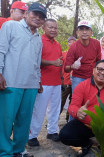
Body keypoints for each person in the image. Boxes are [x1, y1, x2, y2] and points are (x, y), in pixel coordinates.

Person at [0, 2, 46, 157]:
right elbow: (1, 50)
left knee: (24, 121)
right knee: (6, 121)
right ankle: (4, 152)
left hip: (31, 85)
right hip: (11, 82)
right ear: (26, 14)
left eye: (41, 17)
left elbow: (36, 62)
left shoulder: (39, 37)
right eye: (35, 14)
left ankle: (19, 150)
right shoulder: (11, 26)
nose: (38, 19)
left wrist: (38, 80)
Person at [59, 60, 104, 157]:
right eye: (100, 69)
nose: (103, 72)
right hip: (86, 126)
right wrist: (77, 112)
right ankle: (87, 143)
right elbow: (72, 106)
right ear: (94, 70)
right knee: (65, 135)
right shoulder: (82, 86)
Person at [28, 19, 63, 147]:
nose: (53, 30)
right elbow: (35, 60)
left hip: (56, 82)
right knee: (39, 110)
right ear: (43, 27)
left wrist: (61, 79)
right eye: (50, 27)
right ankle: (32, 136)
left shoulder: (57, 44)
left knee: (54, 109)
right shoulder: (39, 41)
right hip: (43, 81)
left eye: (55, 27)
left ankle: (52, 131)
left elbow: (59, 62)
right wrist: (52, 62)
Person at [64, 20, 101, 93]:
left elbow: (98, 61)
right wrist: (72, 66)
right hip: (78, 78)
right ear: (78, 33)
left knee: (92, 101)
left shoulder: (96, 43)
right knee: (77, 100)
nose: (84, 32)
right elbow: (66, 68)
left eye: (87, 29)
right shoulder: (73, 47)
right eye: (81, 29)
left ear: (91, 32)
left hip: (93, 77)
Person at [60, 36, 77, 121]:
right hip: (65, 82)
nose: (72, 43)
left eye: (74, 41)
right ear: (68, 44)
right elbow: (59, 67)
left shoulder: (78, 55)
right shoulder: (63, 54)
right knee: (60, 102)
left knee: (73, 102)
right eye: (70, 42)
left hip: (75, 82)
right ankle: (53, 121)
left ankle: (68, 120)